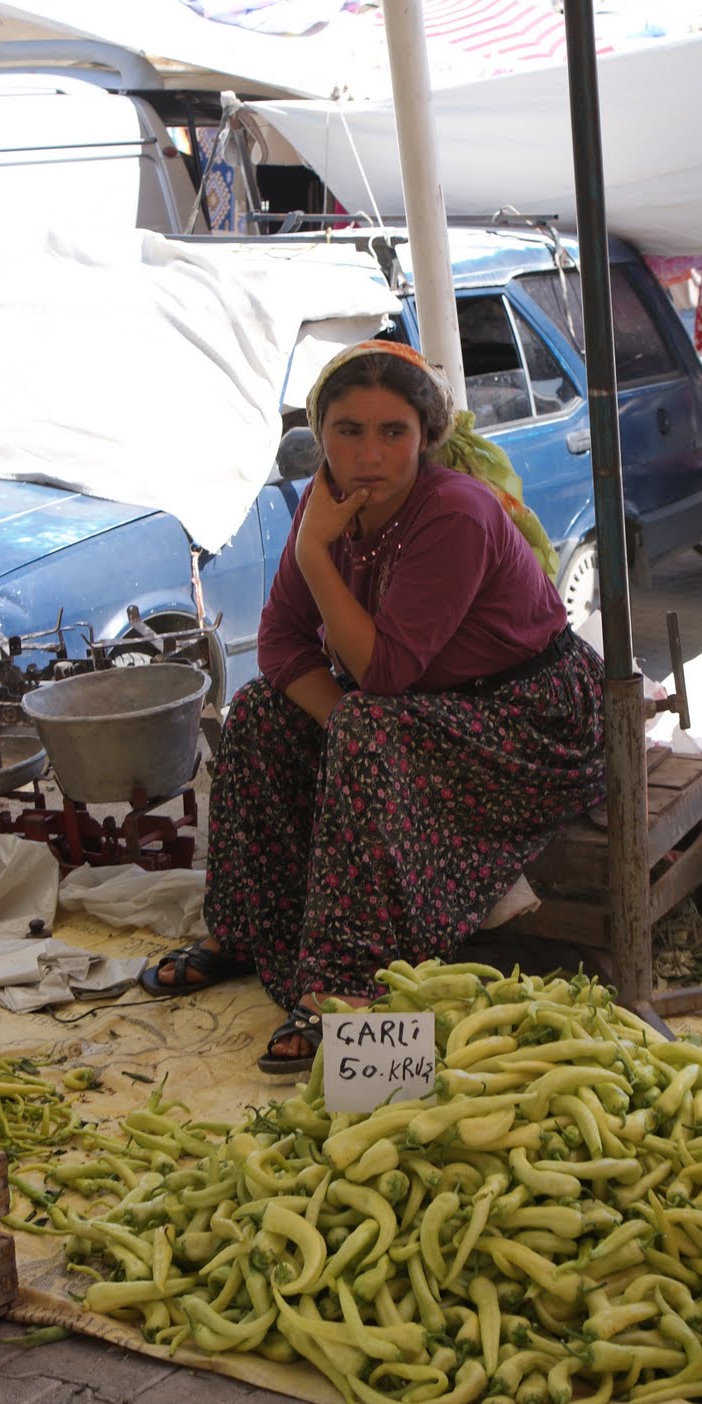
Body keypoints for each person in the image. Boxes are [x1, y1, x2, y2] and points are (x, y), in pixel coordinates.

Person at [141, 339, 606, 1073]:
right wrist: (353, 736)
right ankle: (245, 930)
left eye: (393, 431)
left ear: (425, 438)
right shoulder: (324, 505)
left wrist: (314, 558)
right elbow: (281, 645)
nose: (368, 454)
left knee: (366, 722)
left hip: (528, 720)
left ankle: (345, 986)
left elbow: (384, 674)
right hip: (411, 711)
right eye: (348, 430)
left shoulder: (454, 512)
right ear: (319, 436)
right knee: (259, 712)